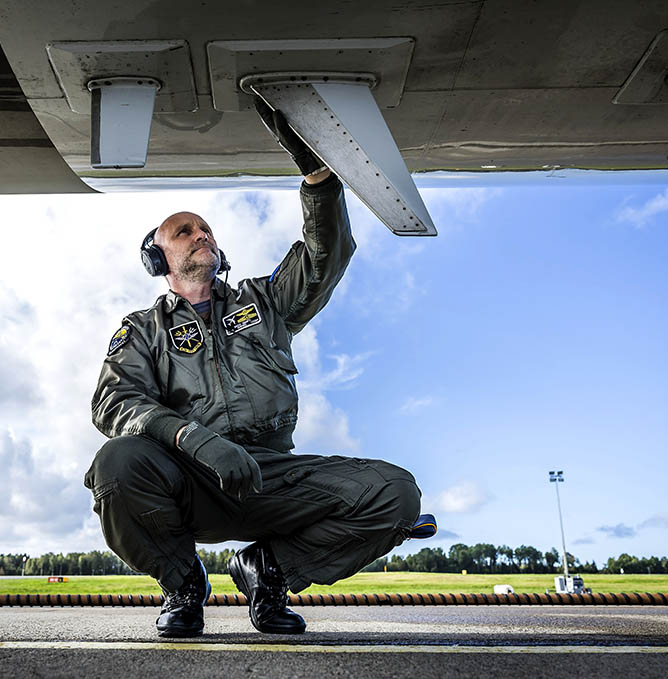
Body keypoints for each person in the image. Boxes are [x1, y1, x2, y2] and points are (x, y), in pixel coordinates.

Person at [85, 99, 425, 637]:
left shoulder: (264, 303)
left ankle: (269, 573)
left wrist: (318, 180)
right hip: (189, 480)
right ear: (158, 260)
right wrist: (195, 440)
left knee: (395, 493)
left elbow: (324, 258)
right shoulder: (142, 330)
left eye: (205, 229)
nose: (201, 234)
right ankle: (184, 586)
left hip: (270, 477)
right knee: (117, 465)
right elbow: (115, 403)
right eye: (184, 232)